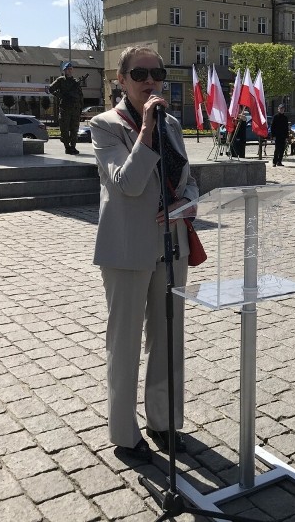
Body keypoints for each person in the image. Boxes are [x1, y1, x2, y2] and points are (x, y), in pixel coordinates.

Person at [90, 45, 198, 463]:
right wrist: (146, 132)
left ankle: (165, 421)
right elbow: (128, 182)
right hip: (127, 249)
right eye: (140, 73)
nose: (151, 80)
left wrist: (187, 200)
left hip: (172, 246)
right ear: (121, 80)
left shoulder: (171, 123)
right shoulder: (105, 125)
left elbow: (186, 177)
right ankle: (124, 432)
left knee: (169, 338)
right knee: (126, 341)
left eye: (158, 72)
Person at [49, 61, 84, 154]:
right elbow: (50, 89)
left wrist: (80, 107)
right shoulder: (61, 80)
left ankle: (73, 146)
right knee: (64, 128)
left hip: (75, 109)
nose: (70, 70)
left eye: (71, 69)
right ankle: (67, 147)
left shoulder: (75, 82)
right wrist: (60, 96)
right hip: (65, 108)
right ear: (64, 70)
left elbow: (80, 95)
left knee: (74, 129)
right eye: (68, 69)